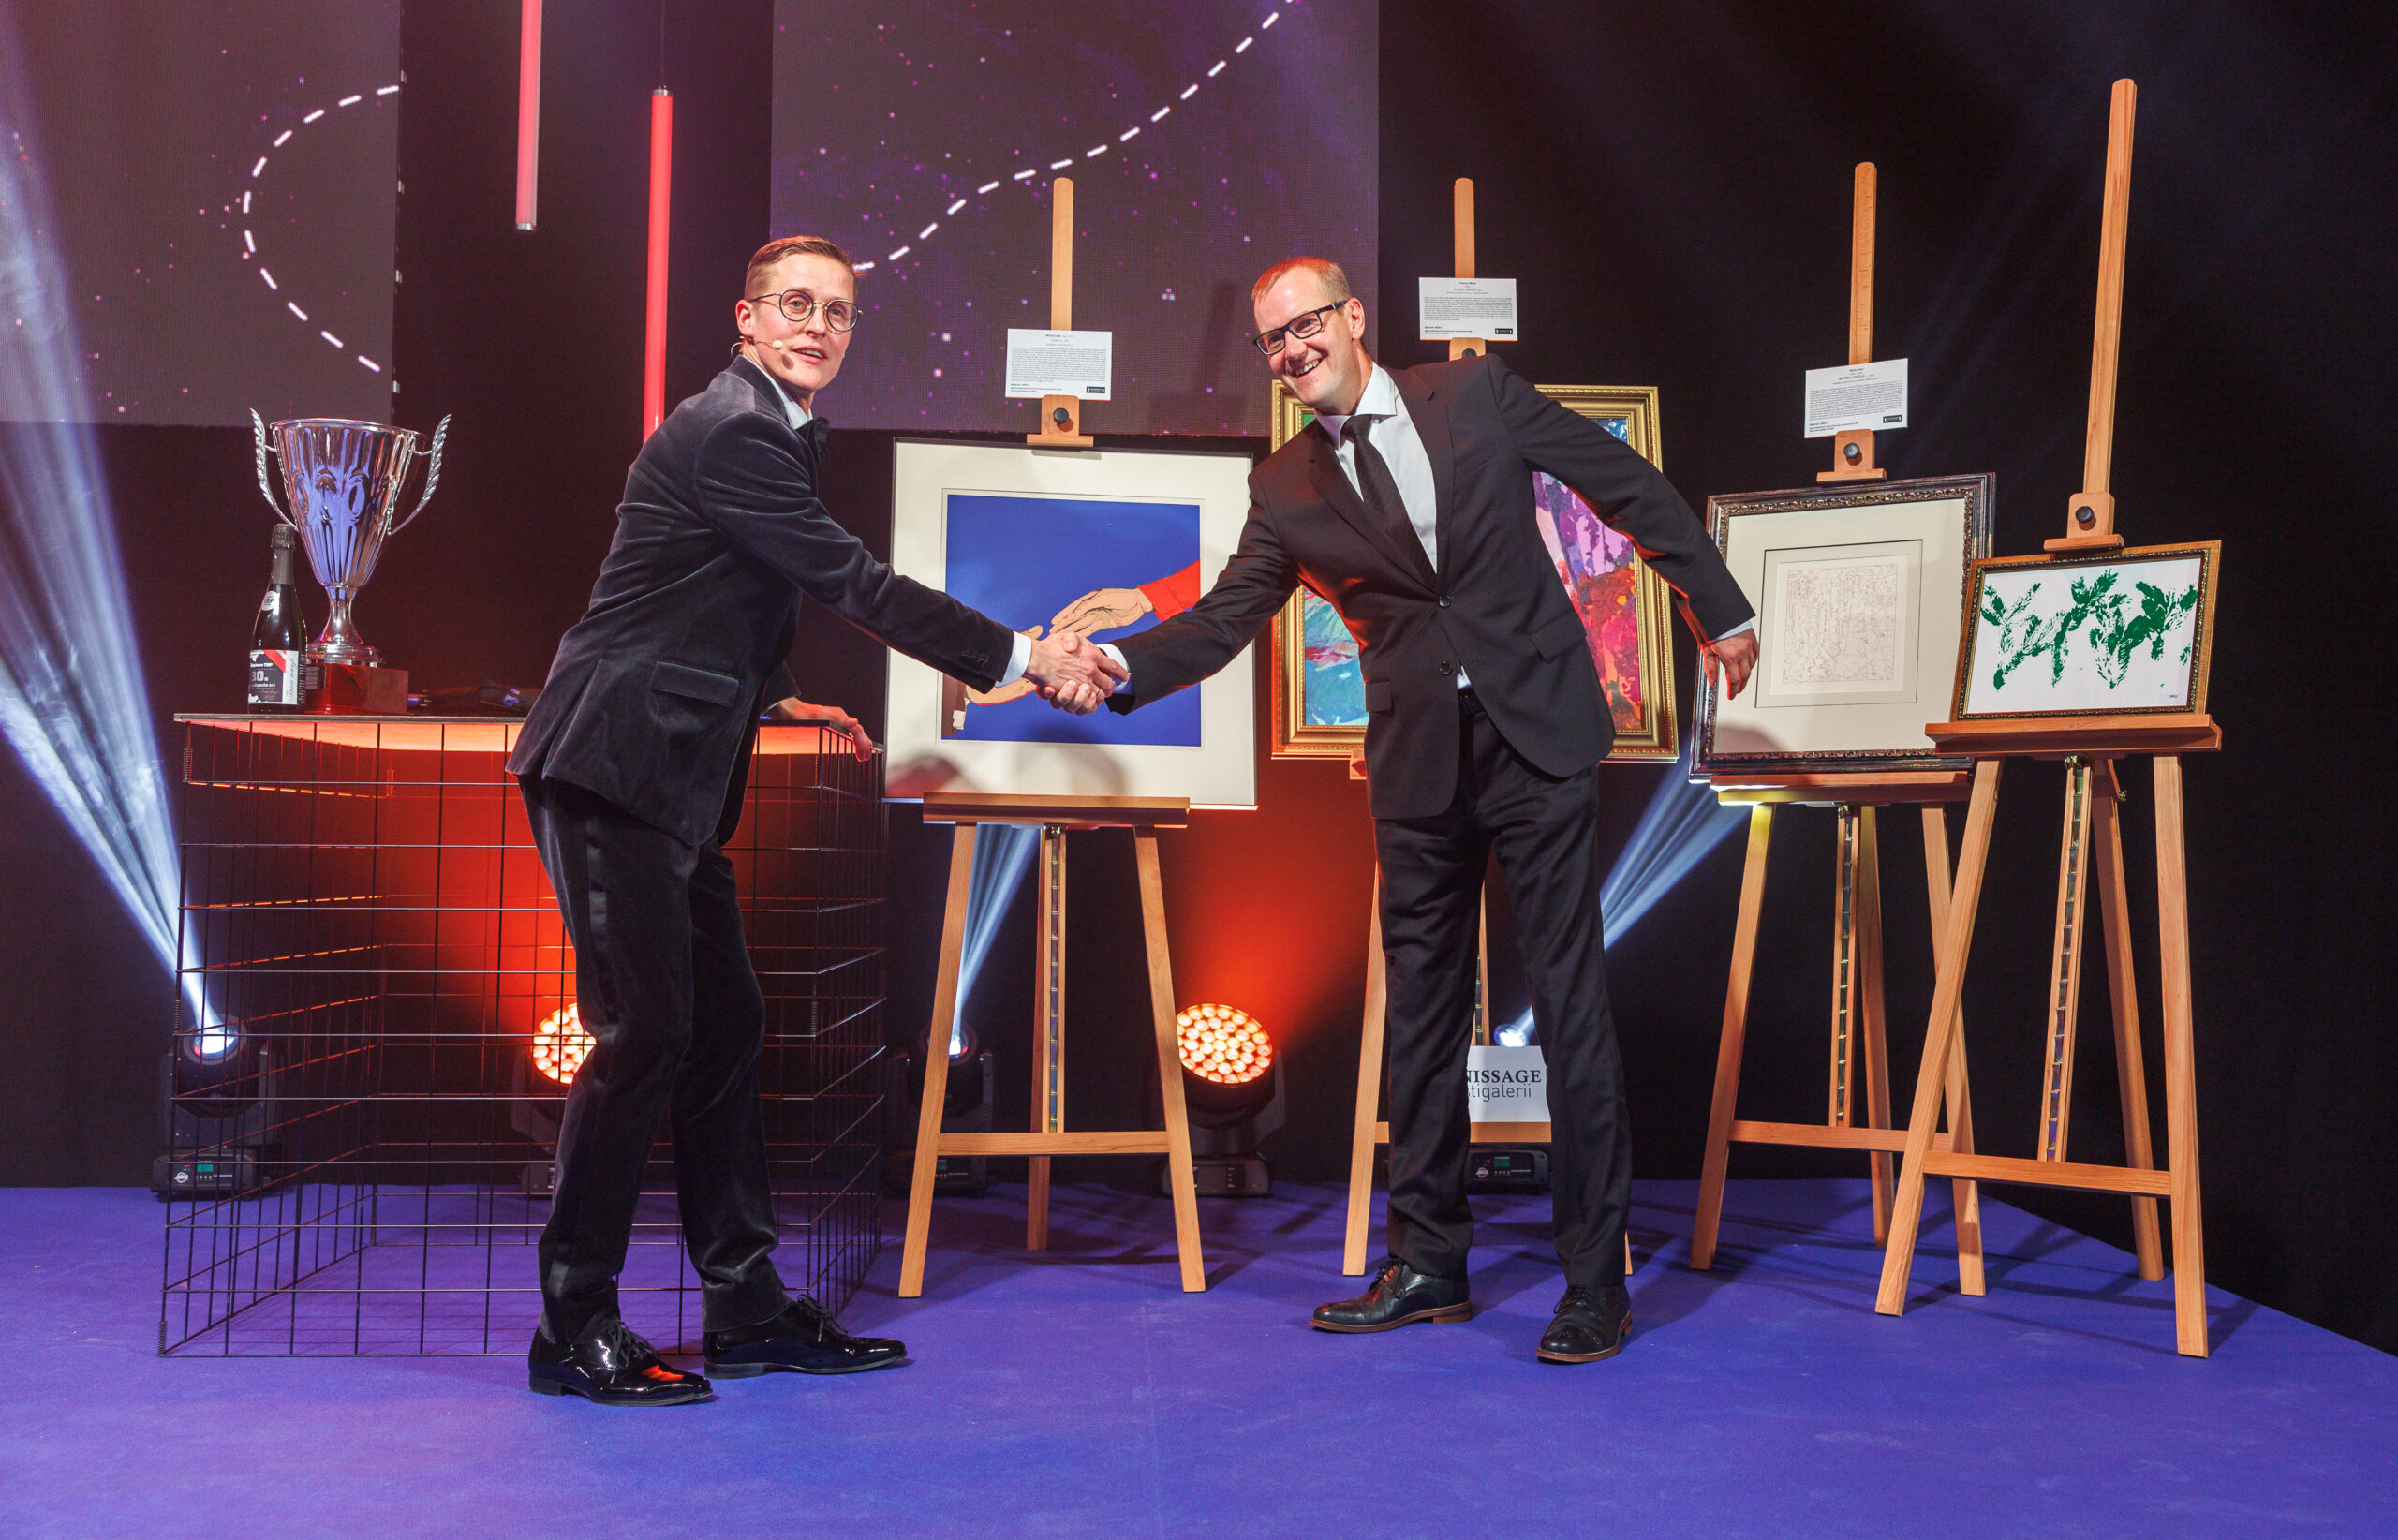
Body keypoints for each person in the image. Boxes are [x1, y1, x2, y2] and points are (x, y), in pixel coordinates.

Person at [1085, 257, 1757, 1365]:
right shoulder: (1284, 485)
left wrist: (1714, 602)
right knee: (1420, 1020)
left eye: (1306, 324)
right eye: (1271, 339)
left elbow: (1620, 482)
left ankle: (1595, 1281)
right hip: (1417, 765)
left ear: (1353, 317)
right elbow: (1224, 618)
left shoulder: (1474, 393)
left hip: (1536, 735)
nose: (1292, 349)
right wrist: (1117, 667)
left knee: (1571, 1008)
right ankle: (1429, 1264)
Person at [506, 234, 1123, 1406]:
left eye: (837, 312)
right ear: (745, 318)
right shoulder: (734, 428)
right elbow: (851, 581)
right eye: (795, 305)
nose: (817, 328)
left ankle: (745, 1313)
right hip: (613, 761)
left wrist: (771, 690)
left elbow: (697, 585)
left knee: (723, 1026)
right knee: (643, 1035)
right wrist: (1026, 657)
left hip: (675, 771)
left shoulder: (769, 428)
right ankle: (572, 1327)